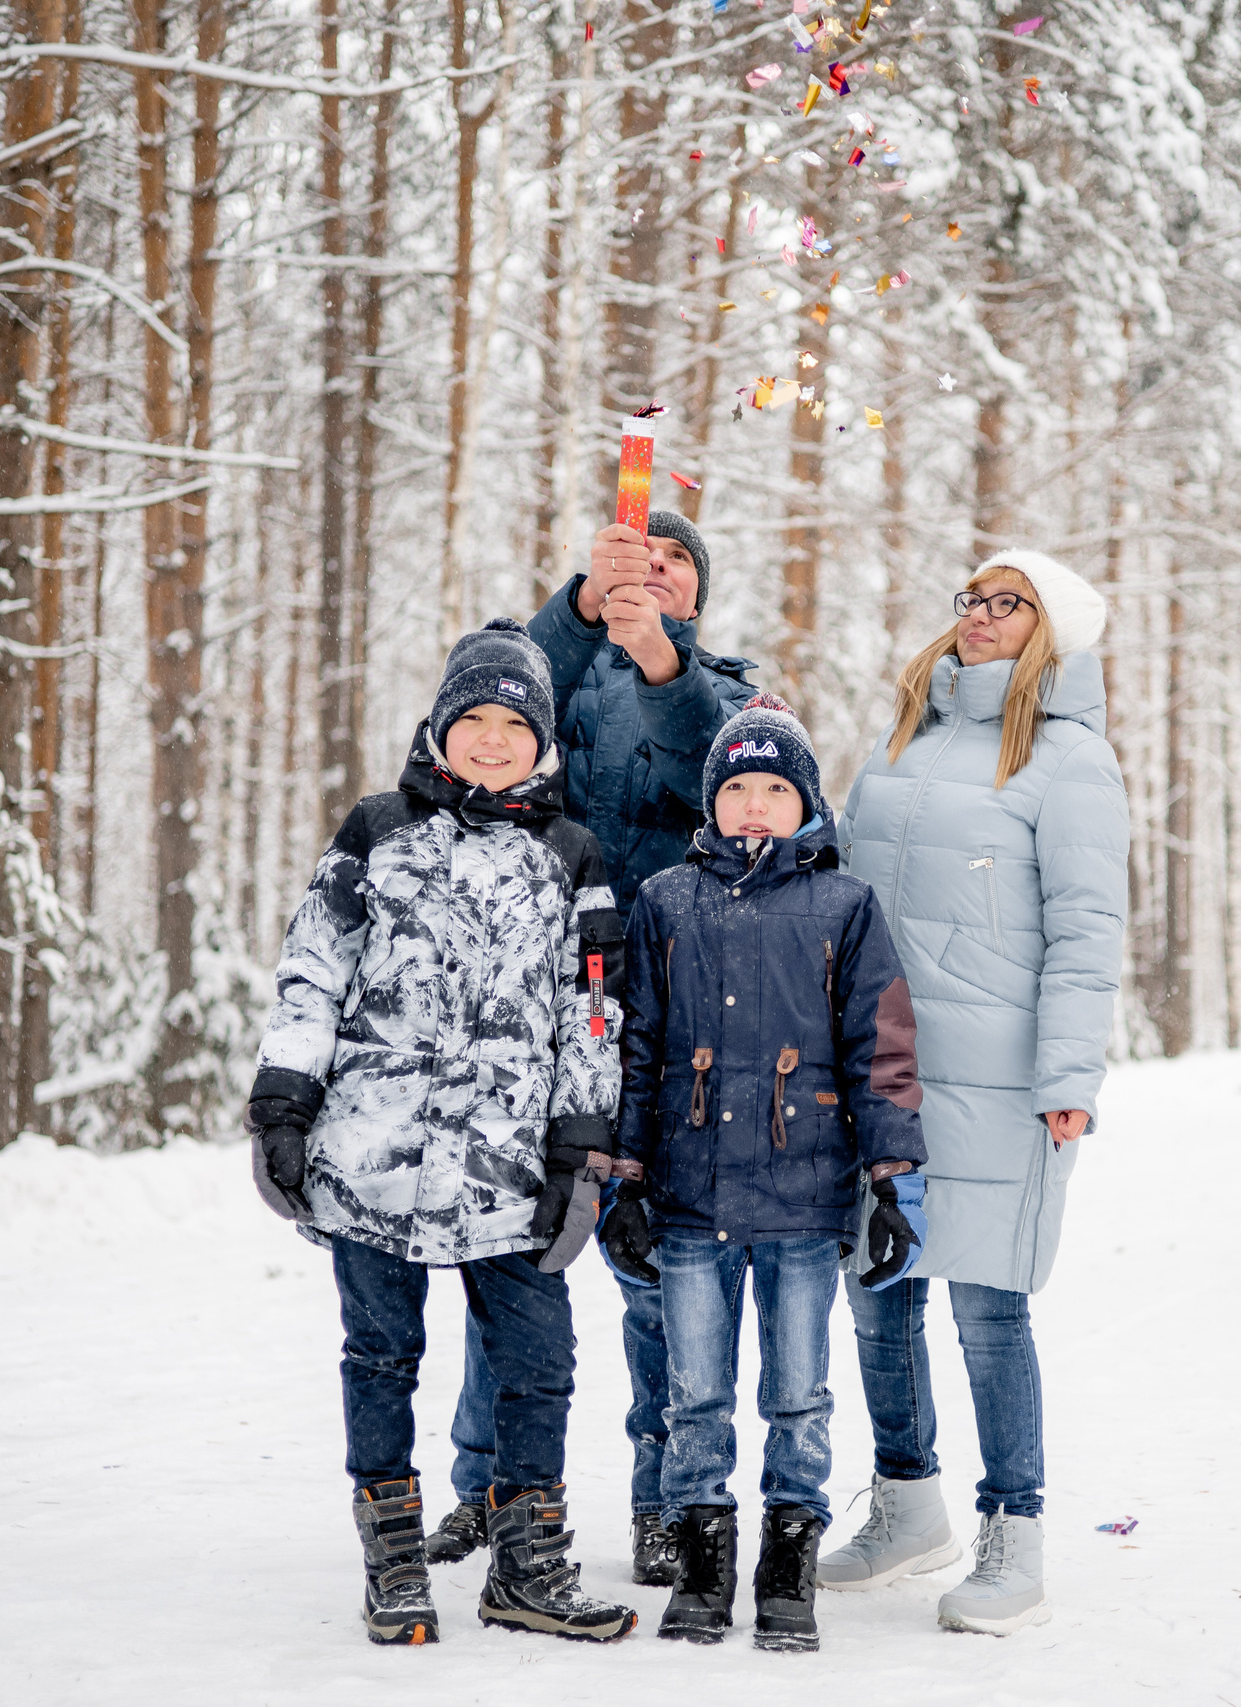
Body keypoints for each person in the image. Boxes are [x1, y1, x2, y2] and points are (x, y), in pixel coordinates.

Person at [245, 618, 638, 1647]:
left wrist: (577, 1151)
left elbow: (592, 1012)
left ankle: (528, 1568)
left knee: (538, 1361)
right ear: (441, 726)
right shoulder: (375, 830)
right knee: (379, 1355)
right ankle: (393, 1562)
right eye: (476, 718)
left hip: (507, 1169)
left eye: (516, 722)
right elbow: (312, 970)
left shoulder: (571, 853)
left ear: (542, 739)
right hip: (371, 1158)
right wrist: (282, 1103)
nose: (495, 738)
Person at [426, 513, 757, 1584]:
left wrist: (662, 663)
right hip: (534, 1012)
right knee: (511, 1252)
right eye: (632, 561)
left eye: (674, 566)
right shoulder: (548, 676)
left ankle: (662, 1499)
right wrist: (576, 611)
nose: (649, 574)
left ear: (695, 600)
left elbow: (718, 776)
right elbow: (499, 701)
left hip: (669, 1022)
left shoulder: (740, 697)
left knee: (658, 1275)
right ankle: (485, 1484)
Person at [819, 550, 1128, 1635]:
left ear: (1055, 630)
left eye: (1011, 603)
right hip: (881, 1068)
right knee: (876, 1292)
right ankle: (908, 1508)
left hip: (1000, 1079)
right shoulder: (902, 739)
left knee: (988, 1307)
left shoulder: (1070, 761)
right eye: (975, 599)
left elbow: (1090, 932)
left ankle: (1015, 1532)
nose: (982, 617)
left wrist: (1067, 1076)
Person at [599, 695, 929, 1651]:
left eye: (773, 788)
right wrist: (623, 1179)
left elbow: (884, 1047)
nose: (753, 804)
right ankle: (702, 1559)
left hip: (804, 1198)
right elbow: (637, 1046)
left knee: (799, 1393)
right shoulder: (667, 900)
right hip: (691, 1200)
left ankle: (790, 1558)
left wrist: (889, 1180)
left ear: (805, 804)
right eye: (735, 786)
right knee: (693, 1390)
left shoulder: (845, 905)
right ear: (710, 803)